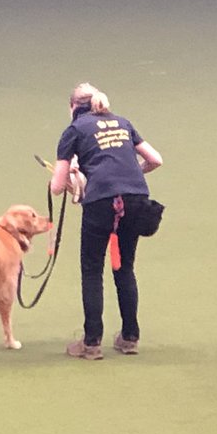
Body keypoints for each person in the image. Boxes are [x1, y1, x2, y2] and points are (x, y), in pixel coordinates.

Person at [51, 82, 163, 360]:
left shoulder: (74, 130)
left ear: (73, 107)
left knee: (92, 271)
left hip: (100, 203)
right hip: (136, 200)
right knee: (125, 268)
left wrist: (76, 177)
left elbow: (56, 185)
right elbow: (155, 160)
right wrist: (127, 175)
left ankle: (91, 343)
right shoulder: (123, 122)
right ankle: (130, 337)